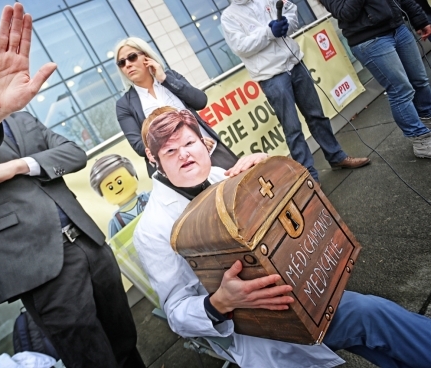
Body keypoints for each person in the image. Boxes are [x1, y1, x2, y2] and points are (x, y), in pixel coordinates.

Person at [0, 4, 145, 368]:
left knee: (126, 342)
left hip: (87, 244)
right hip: (38, 265)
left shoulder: (22, 119)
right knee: (90, 358)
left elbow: (73, 153)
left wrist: (17, 166)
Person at [133, 109, 431, 368]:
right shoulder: (152, 229)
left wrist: (268, 171)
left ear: (204, 142)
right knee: (369, 317)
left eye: (189, 143)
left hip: (304, 288)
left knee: (374, 332)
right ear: (153, 158)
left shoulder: (222, 176)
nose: (184, 154)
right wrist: (219, 302)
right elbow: (176, 313)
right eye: (170, 151)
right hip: (259, 326)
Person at [220, 0, 371, 182]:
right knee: (292, 128)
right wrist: (269, 32)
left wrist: (286, 25)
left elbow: (291, 10)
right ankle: (308, 177)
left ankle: (337, 157)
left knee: (316, 115)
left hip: (295, 63)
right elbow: (240, 47)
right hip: (271, 76)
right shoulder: (229, 16)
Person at [319, 0, 431, 159]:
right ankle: (421, 140)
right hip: (369, 40)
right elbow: (345, 13)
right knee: (400, 90)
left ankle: (427, 119)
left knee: (420, 80)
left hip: (398, 28)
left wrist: (419, 18)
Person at [114, 37, 238, 177]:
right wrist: (189, 145)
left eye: (132, 57)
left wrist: (165, 80)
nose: (128, 64)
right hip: (176, 171)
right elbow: (139, 145)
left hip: (212, 151)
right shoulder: (124, 105)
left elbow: (200, 101)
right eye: (121, 63)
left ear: (147, 57)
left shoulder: (170, 76)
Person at [89, 154, 149, 238]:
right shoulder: (115, 223)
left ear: (132, 174)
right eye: (110, 187)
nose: (117, 187)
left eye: (119, 181)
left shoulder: (151, 197)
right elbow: (116, 247)